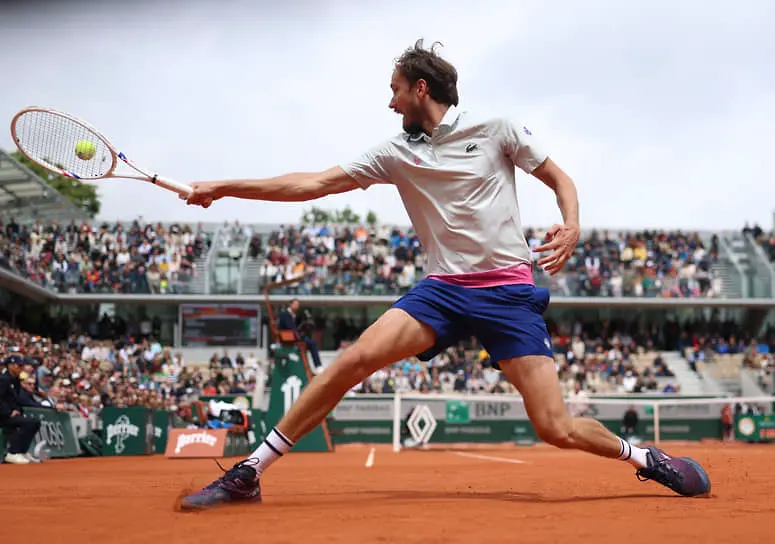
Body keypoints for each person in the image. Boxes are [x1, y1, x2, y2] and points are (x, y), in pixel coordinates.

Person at [179, 39, 711, 508]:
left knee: (555, 427)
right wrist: (225, 186)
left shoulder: (498, 129)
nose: (389, 103)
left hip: (507, 293)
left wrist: (572, 226)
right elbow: (313, 184)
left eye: (394, 91)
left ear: (420, 87)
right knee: (352, 359)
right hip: (442, 292)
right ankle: (250, 472)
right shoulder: (394, 153)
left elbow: (560, 178)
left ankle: (644, 457)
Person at [0, 353, 43, 464]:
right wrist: (9, 412)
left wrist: (18, 410)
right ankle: (12, 452)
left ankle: (22, 451)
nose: (21, 368)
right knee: (29, 423)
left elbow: (17, 400)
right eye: (18, 365)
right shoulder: (3, 379)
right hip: (3, 416)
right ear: (10, 365)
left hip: (12, 414)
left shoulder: (15, 380)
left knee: (34, 422)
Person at [277, 298, 323, 370]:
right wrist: (301, 327)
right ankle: (318, 366)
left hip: (294, 336)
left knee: (311, 342)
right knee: (312, 343)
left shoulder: (294, 315)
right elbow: (290, 328)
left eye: (298, 305)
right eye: (295, 304)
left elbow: (295, 328)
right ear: (290, 304)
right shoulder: (285, 314)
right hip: (289, 337)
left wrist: (303, 327)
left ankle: (314, 366)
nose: (297, 306)